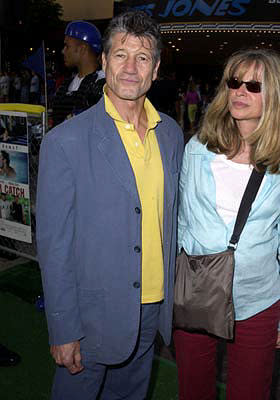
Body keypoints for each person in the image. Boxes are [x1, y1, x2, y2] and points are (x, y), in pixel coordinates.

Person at [36, 10, 184, 400]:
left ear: (155, 70)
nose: (131, 67)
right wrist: (64, 329)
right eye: (120, 55)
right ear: (103, 63)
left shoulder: (170, 134)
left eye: (143, 57)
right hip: (91, 318)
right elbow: (54, 247)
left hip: (150, 311)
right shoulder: (65, 141)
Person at [174, 48, 280, 400]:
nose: (240, 92)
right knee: (194, 389)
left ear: (274, 95)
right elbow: (182, 224)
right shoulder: (197, 149)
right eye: (235, 82)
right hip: (196, 293)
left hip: (257, 299)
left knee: (251, 392)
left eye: (254, 85)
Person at [52, 20, 105, 127]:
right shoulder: (66, 85)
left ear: (82, 49)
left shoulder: (104, 85)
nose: (63, 51)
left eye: (67, 46)